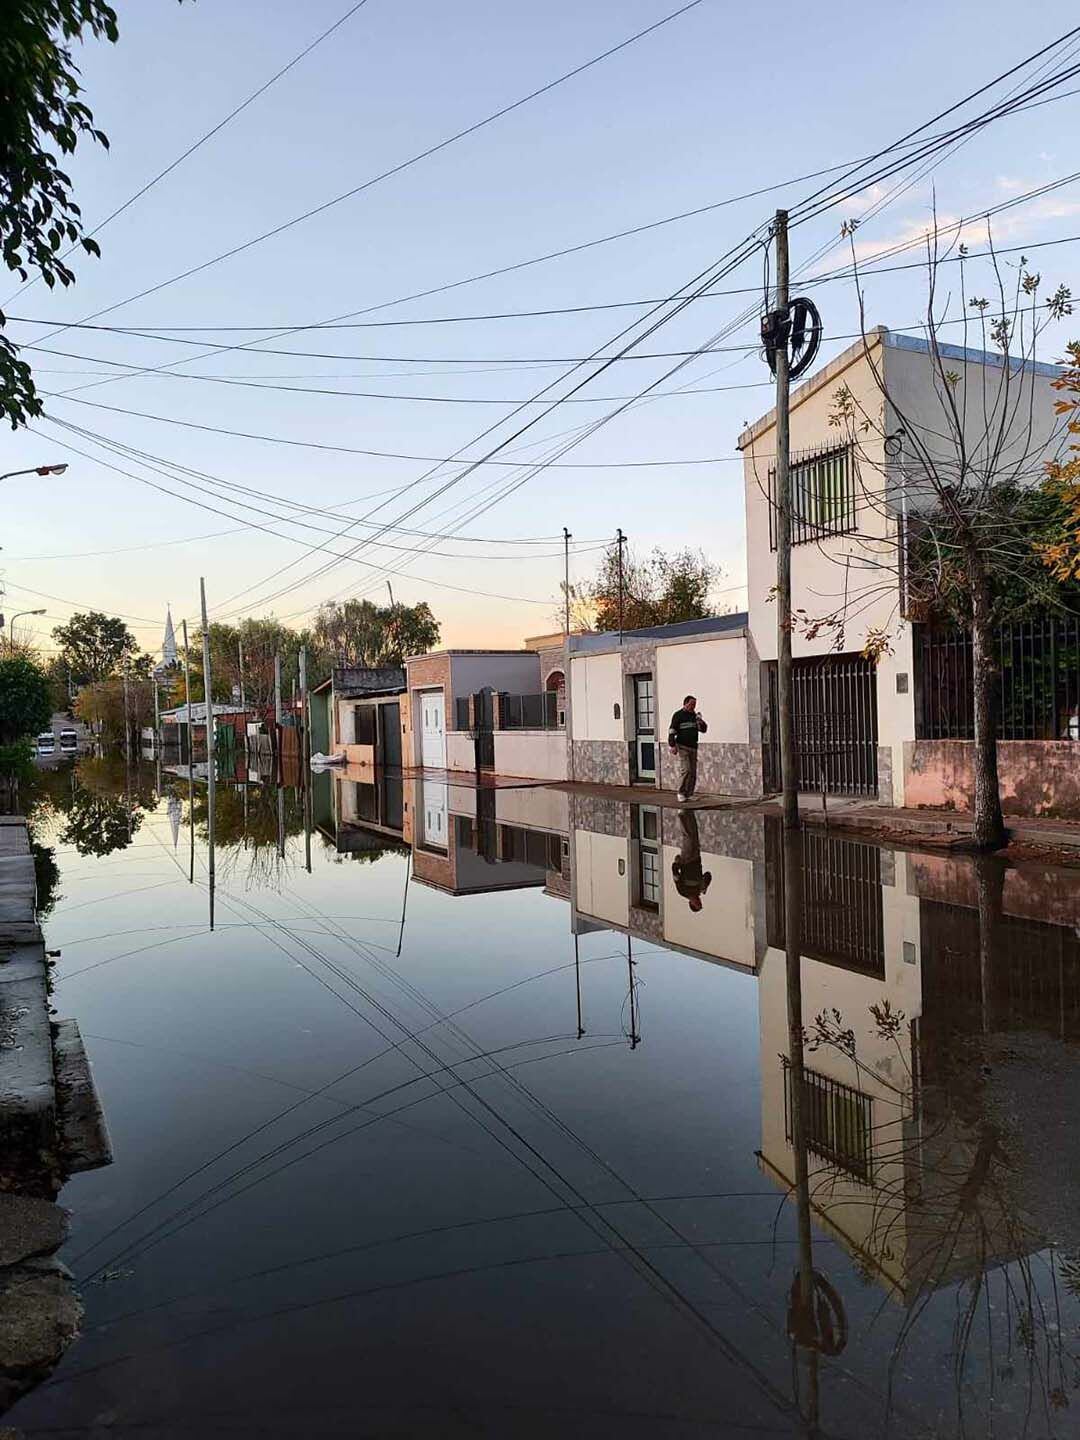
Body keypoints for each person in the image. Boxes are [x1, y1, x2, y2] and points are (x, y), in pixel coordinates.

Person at [668, 694, 707, 803]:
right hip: (682, 746)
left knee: (693, 772)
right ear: (685, 704)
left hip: (693, 746)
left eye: (695, 704)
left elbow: (703, 730)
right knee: (686, 769)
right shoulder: (678, 715)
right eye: (691, 704)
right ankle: (681, 792)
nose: (693, 706)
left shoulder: (695, 716)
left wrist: (700, 721)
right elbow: (672, 730)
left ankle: (689, 794)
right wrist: (672, 744)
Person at [672, 809, 712, 912]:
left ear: (691, 903)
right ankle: (689, 813)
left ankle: (682, 814)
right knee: (694, 834)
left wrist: (676, 863)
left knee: (688, 838)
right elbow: (708, 874)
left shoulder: (683, 891)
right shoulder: (699, 888)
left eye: (697, 903)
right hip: (696, 858)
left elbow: (676, 876)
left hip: (686, 860)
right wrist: (705, 884)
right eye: (700, 903)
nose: (699, 901)